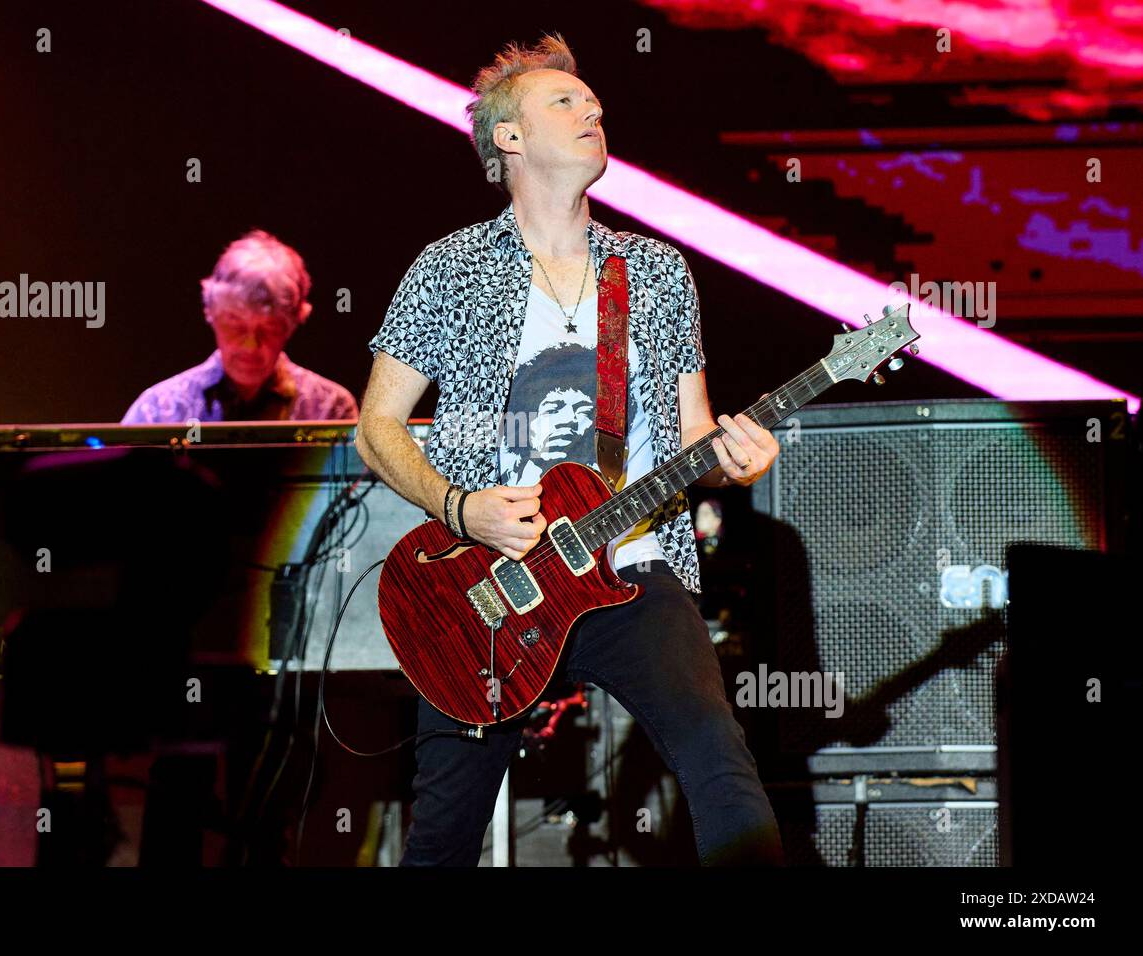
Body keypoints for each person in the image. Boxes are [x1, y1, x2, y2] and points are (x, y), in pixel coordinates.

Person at [356, 34, 784, 865]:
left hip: (632, 562)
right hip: (488, 581)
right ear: (508, 137)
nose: (594, 109)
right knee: (443, 832)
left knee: (719, 759)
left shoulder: (655, 271)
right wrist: (460, 508)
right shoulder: (449, 268)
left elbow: (695, 429)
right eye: (566, 101)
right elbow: (376, 427)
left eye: (594, 102)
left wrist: (741, 456)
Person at [122, 230, 357, 423]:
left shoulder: (330, 410)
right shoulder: (157, 411)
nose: (250, 345)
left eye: (269, 327)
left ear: (292, 325)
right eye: (235, 324)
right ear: (210, 313)